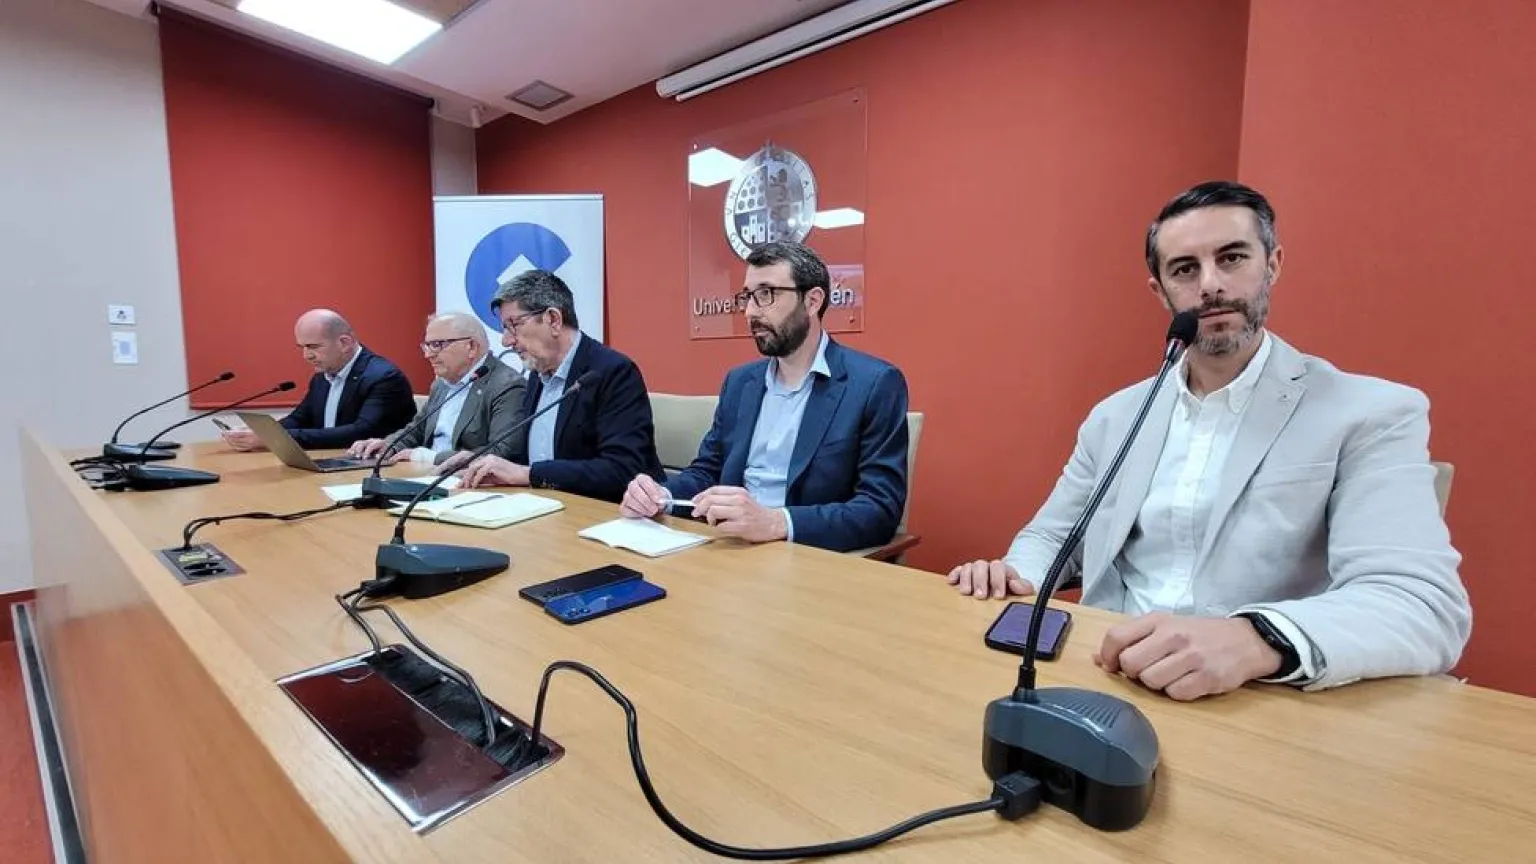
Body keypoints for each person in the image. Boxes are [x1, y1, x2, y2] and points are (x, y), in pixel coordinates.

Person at [945, 180, 1471, 699]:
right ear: (1161, 292)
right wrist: (1015, 576)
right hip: (1105, 671)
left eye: (1232, 258)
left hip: (1258, 696)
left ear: (1273, 265)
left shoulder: (1370, 413)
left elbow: (1421, 605)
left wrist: (1255, 639)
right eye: (1184, 269)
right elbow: (1051, 538)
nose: (1211, 285)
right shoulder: (1116, 416)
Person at [619, 241, 909, 553]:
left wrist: (776, 523)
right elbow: (707, 471)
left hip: (807, 556)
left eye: (767, 294)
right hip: (728, 547)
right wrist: (659, 496)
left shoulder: (874, 384)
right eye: (748, 296)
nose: (751, 311)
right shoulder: (740, 382)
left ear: (812, 301)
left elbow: (879, 509)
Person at [458, 270, 665, 501]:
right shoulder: (537, 374)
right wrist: (481, 462)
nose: (506, 340)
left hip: (604, 511)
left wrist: (529, 474)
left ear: (553, 320)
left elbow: (622, 470)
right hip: (544, 505)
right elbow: (527, 458)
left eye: (513, 325)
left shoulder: (612, 372)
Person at [347, 312, 527, 468]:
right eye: (426, 346)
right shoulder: (441, 383)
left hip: (467, 482)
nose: (428, 354)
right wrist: (388, 445)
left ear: (471, 347)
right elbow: (417, 429)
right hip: (424, 473)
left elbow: (502, 452)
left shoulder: (506, 385)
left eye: (437, 345)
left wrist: (429, 457)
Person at [220, 309, 415, 452]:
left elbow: (360, 432)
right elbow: (299, 419)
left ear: (344, 343)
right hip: (330, 461)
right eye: (302, 347)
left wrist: (274, 439)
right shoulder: (322, 376)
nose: (306, 356)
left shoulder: (384, 377)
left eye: (313, 347)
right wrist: (261, 432)